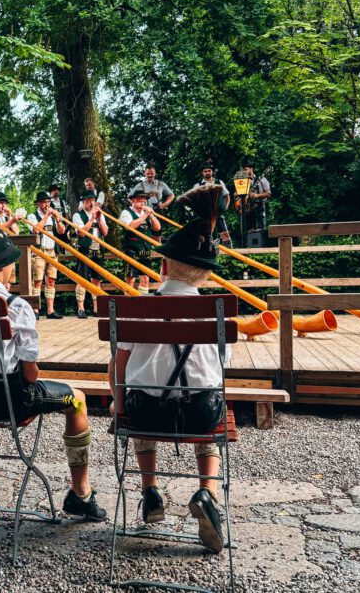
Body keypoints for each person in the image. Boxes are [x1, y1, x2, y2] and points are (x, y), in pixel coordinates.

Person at [0, 224, 106, 521]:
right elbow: (31, 375)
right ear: (4, 268)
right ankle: (81, 493)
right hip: (11, 404)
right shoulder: (15, 307)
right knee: (78, 399)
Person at [108, 183, 230, 553]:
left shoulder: (137, 309)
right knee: (211, 398)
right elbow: (219, 371)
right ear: (206, 275)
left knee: (136, 394)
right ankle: (208, 492)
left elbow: (118, 367)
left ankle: (150, 491)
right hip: (199, 415)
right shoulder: (216, 314)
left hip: (147, 414)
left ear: (163, 267)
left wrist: (119, 405)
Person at [26, 192, 65, 319]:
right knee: (37, 281)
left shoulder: (53, 216)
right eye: (44, 202)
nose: (46, 204)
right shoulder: (32, 216)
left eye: (48, 202)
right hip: (39, 251)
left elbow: (62, 231)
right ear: (38, 203)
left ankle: (50, 310)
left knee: (51, 281)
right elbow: (36, 230)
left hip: (52, 251)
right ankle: (35, 310)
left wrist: (57, 220)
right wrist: (47, 215)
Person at [72, 190, 108, 318]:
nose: (91, 203)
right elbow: (82, 233)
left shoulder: (100, 214)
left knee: (96, 280)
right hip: (85, 249)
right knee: (82, 279)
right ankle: (81, 309)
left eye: (93, 200)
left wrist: (99, 218)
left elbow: (105, 233)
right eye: (88, 201)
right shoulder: (77, 215)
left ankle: (96, 308)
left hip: (97, 249)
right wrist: (92, 218)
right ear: (83, 202)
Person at [119, 190, 161, 292]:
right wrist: (145, 216)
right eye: (139, 201)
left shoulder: (146, 213)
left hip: (145, 249)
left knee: (145, 279)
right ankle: (128, 301)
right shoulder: (126, 212)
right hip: (131, 249)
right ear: (133, 201)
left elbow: (157, 228)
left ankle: (143, 300)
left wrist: (151, 215)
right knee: (131, 278)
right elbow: (131, 226)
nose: (142, 204)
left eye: (143, 201)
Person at [194, 162, 232, 248]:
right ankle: (206, 253)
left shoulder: (219, 182)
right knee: (205, 236)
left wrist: (225, 207)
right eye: (205, 171)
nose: (207, 172)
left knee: (224, 235)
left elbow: (227, 196)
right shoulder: (197, 185)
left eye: (209, 171)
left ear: (212, 172)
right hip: (205, 214)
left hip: (218, 213)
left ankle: (230, 253)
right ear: (202, 173)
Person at [239, 158, 271, 231]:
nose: (244, 172)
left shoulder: (261, 179)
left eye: (245, 169)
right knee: (247, 231)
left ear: (251, 169)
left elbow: (268, 193)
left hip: (259, 207)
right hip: (247, 210)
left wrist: (256, 195)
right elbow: (237, 195)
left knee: (260, 230)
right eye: (243, 170)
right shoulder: (242, 181)